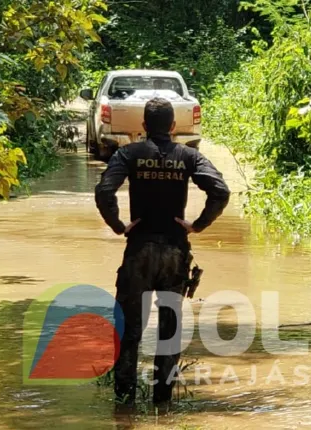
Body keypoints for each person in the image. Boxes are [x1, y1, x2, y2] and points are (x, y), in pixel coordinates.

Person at [95, 97, 231, 408]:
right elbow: (220, 191)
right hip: (174, 251)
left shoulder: (129, 153)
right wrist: (197, 225)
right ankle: (163, 404)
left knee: (129, 330)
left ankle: (124, 406)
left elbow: (104, 190)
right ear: (172, 127)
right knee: (169, 330)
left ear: (143, 126)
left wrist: (118, 225)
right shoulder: (188, 156)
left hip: (139, 249)